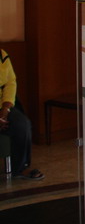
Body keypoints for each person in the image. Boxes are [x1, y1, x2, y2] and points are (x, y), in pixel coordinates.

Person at [0, 49, 44, 180]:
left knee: (22, 124)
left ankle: (20, 168)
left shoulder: (2, 55)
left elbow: (10, 82)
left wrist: (6, 108)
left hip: (2, 105)